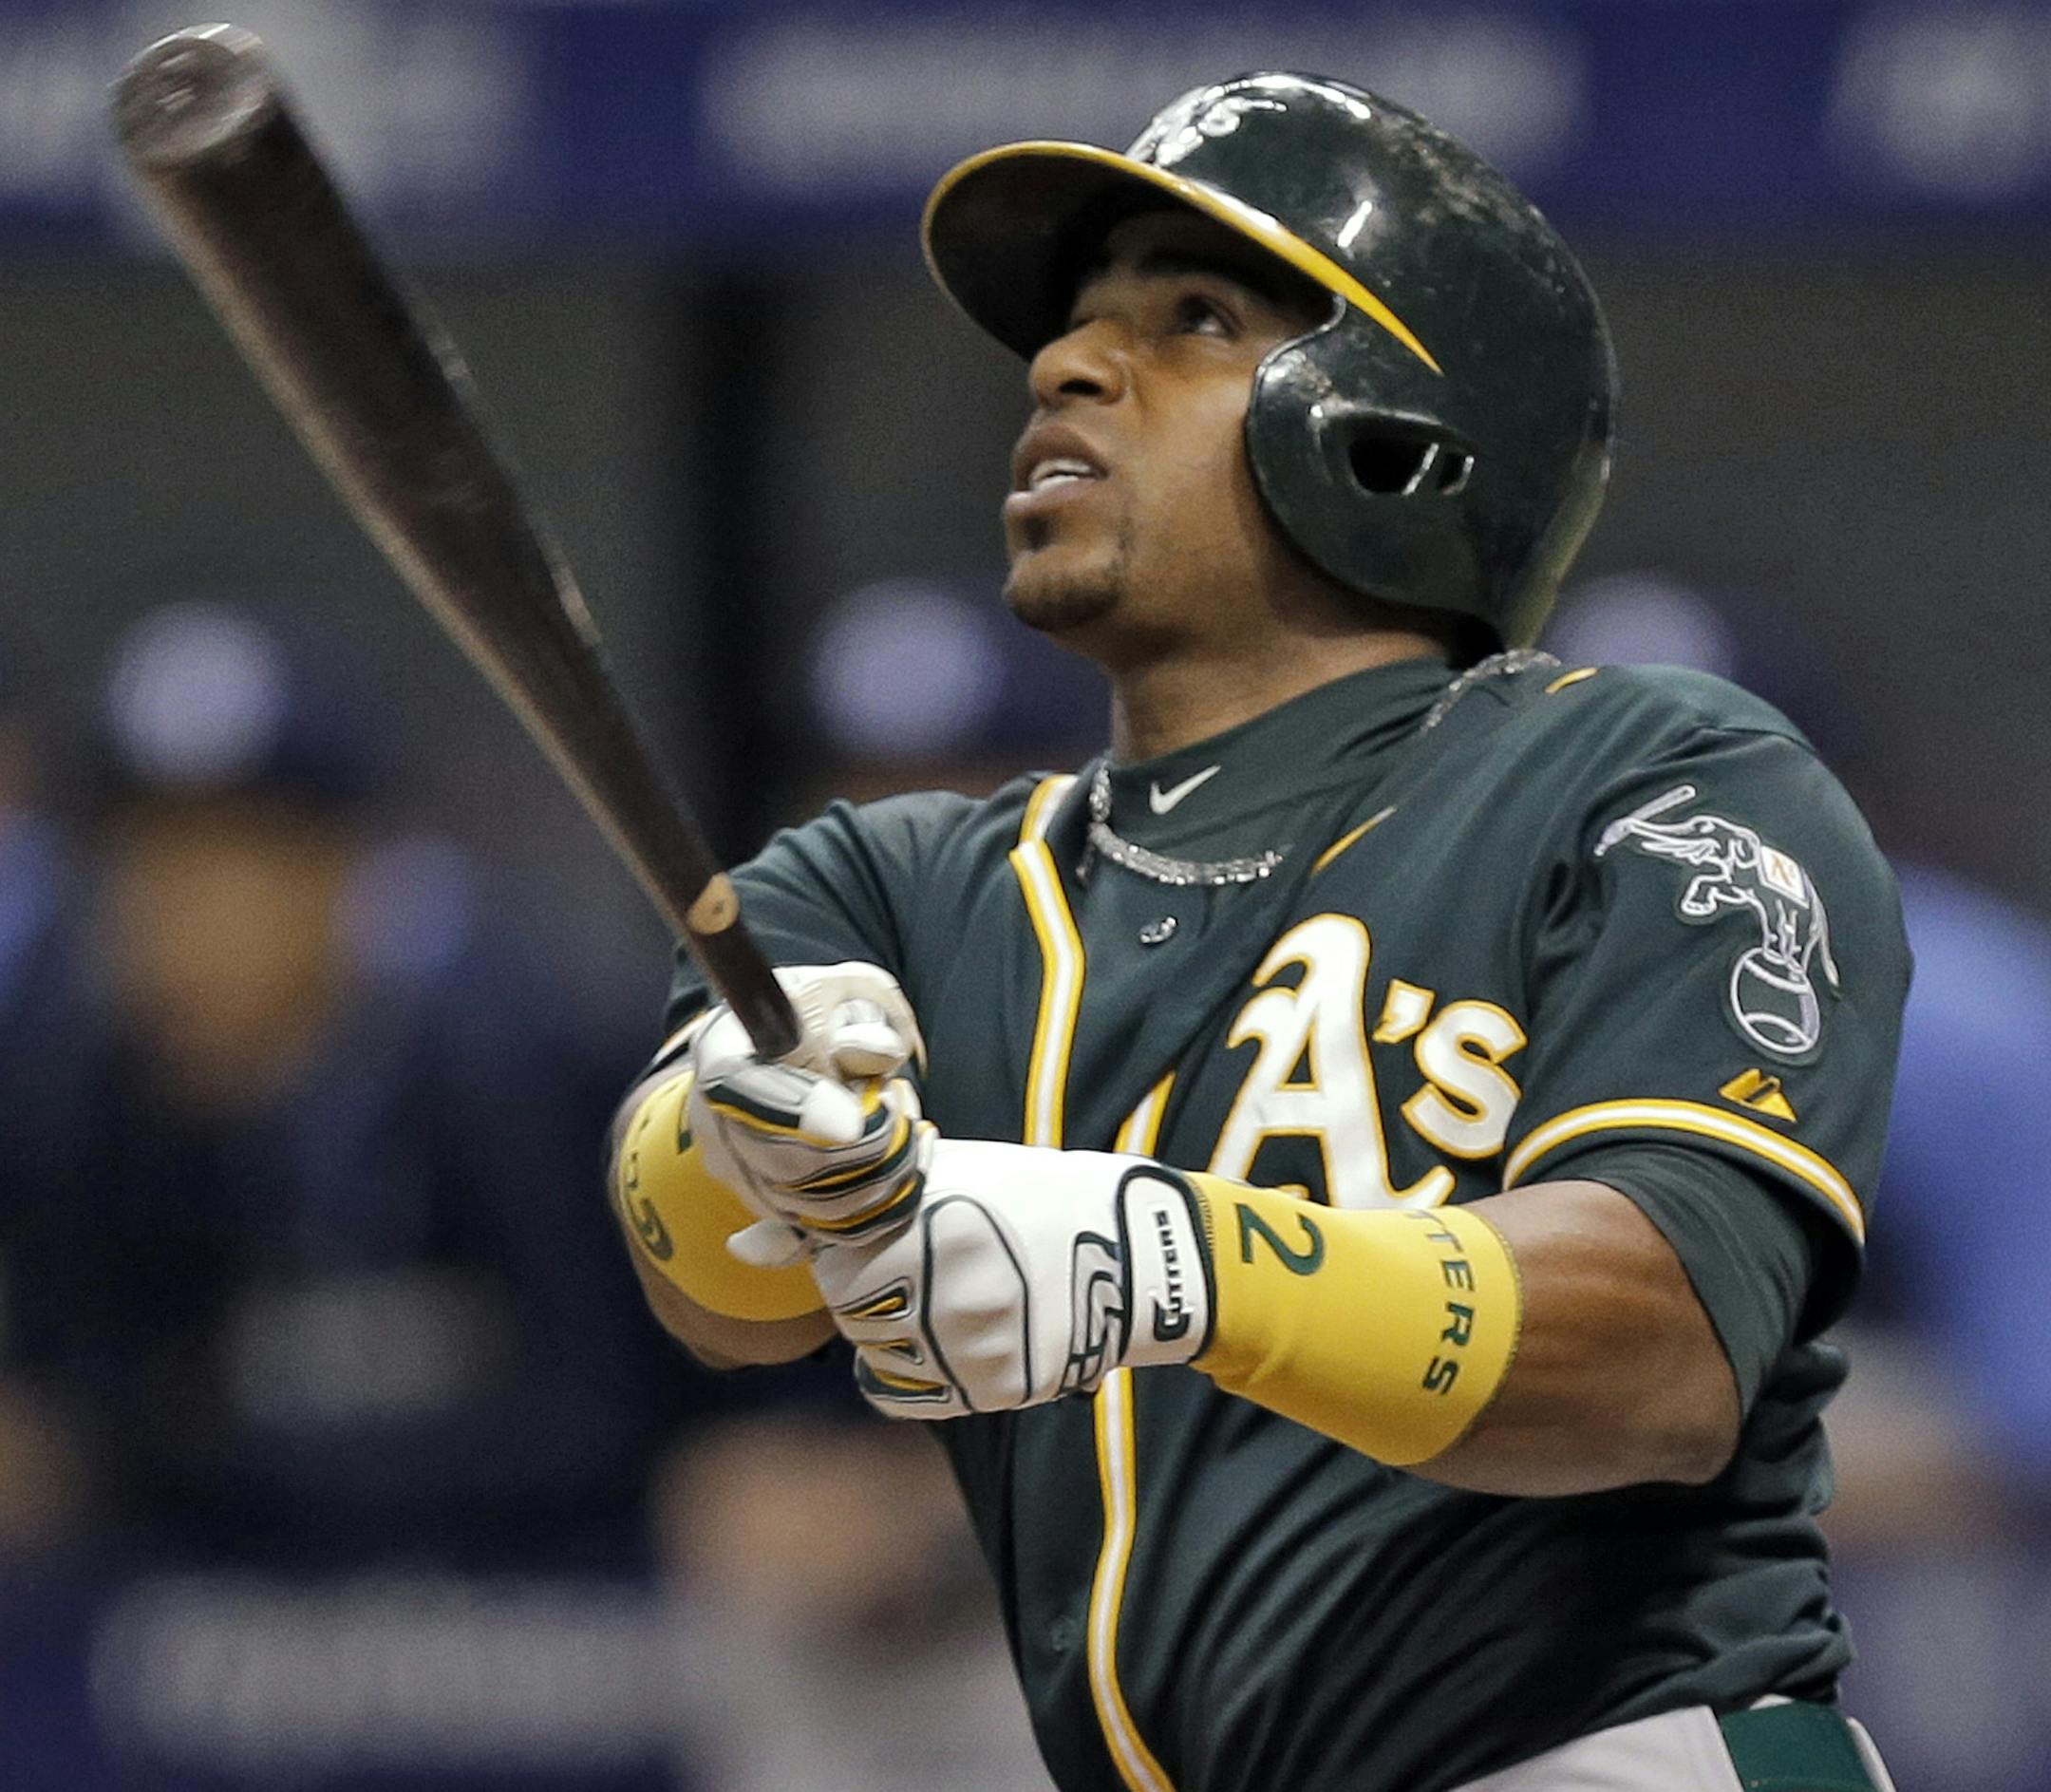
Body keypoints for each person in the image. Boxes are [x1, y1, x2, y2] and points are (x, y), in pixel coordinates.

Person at [610, 75, 1908, 1792]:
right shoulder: (899, 887)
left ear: (1397, 430)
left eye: (1193, 320)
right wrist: (741, 1129)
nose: (1067, 368)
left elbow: (1659, 1351)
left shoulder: (1640, 774)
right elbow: (711, 1295)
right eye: (1072, 329)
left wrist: (1169, 1262)